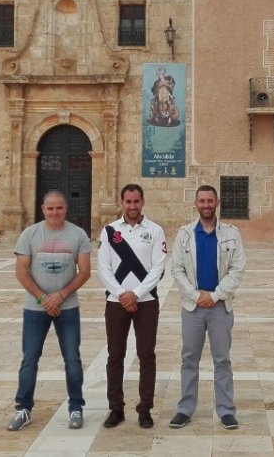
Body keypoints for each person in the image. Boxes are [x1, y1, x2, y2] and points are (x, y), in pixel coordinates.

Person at [7, 191, 92, 432]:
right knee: (29, 359)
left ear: (66, 208)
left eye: (59, 208)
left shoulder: (78, 235)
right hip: (35, 307)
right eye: (50, 208)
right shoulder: (30, 234)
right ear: (43, 209)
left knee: (72, 359)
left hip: (67, 307)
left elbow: (85, 271)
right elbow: (21, 271)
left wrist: (61, 296)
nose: (55, 212)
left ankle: (76, 407)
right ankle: (23, 408)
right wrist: (44, 298)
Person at [168, 184, 246, 430]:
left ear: (217, 202)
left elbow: (237, 268)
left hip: (220, 307)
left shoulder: (232, 234)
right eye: (201, 201)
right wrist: (195, 295)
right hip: (192, 308)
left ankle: (225, 410)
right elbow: (176, 269)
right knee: (189, 359)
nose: (206, 205)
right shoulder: (185, 234)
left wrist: (215, 295)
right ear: (195, 204)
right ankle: (185, 409)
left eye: (210, 201)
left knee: (222, 360)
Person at [98, 183, 168, 429]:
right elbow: (104, 268)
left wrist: (136, 293)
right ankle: (116, 408)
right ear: (121, 203)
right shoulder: (109, 231)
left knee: (146, 355)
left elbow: (158, 267)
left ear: (143, 202)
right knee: (115, 355)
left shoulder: (156, 231)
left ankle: (145, 409)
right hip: (115, 302)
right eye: (128, 202)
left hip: (147, 302)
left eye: (136, 201)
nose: (132, 206)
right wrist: (121, 294)